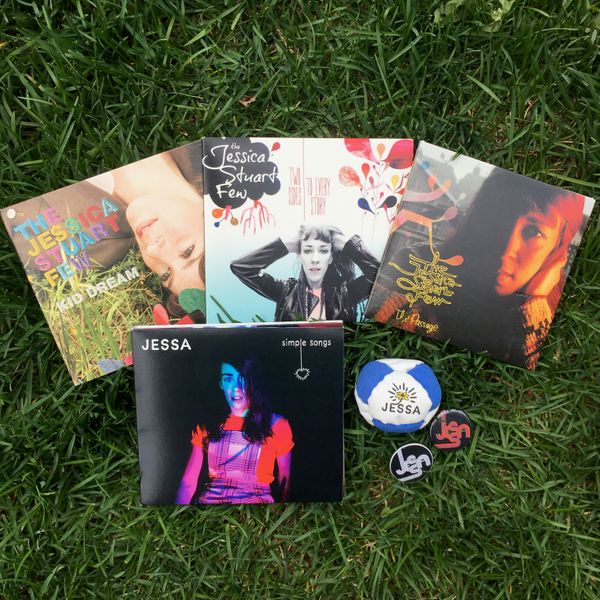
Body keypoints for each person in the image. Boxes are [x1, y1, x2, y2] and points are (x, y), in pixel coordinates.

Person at [369, 167, 586, 369]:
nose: (507, 249)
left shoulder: (556, 320)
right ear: (478, 220)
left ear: (557, 250)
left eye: (533, 232)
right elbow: (377, 314)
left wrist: (534, 302)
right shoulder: (416, 259)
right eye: (500, 222)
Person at [176, 358, 294, 504]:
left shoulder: (276, 425)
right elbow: (189, 482)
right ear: (221, 384)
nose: (236, 388)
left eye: (242, 378)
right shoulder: (207, 426)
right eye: (228, 379)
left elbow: (284, 478)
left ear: (253, 382)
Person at [230, 224, 380, 322]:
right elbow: (242, 268)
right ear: (300, 256)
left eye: (323, 251)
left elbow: (382, 277)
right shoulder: (285, 291)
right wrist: (286, 245)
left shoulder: (347, 293)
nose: (315, 259)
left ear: (330, 258)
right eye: (308, 251)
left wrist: (348, 244)